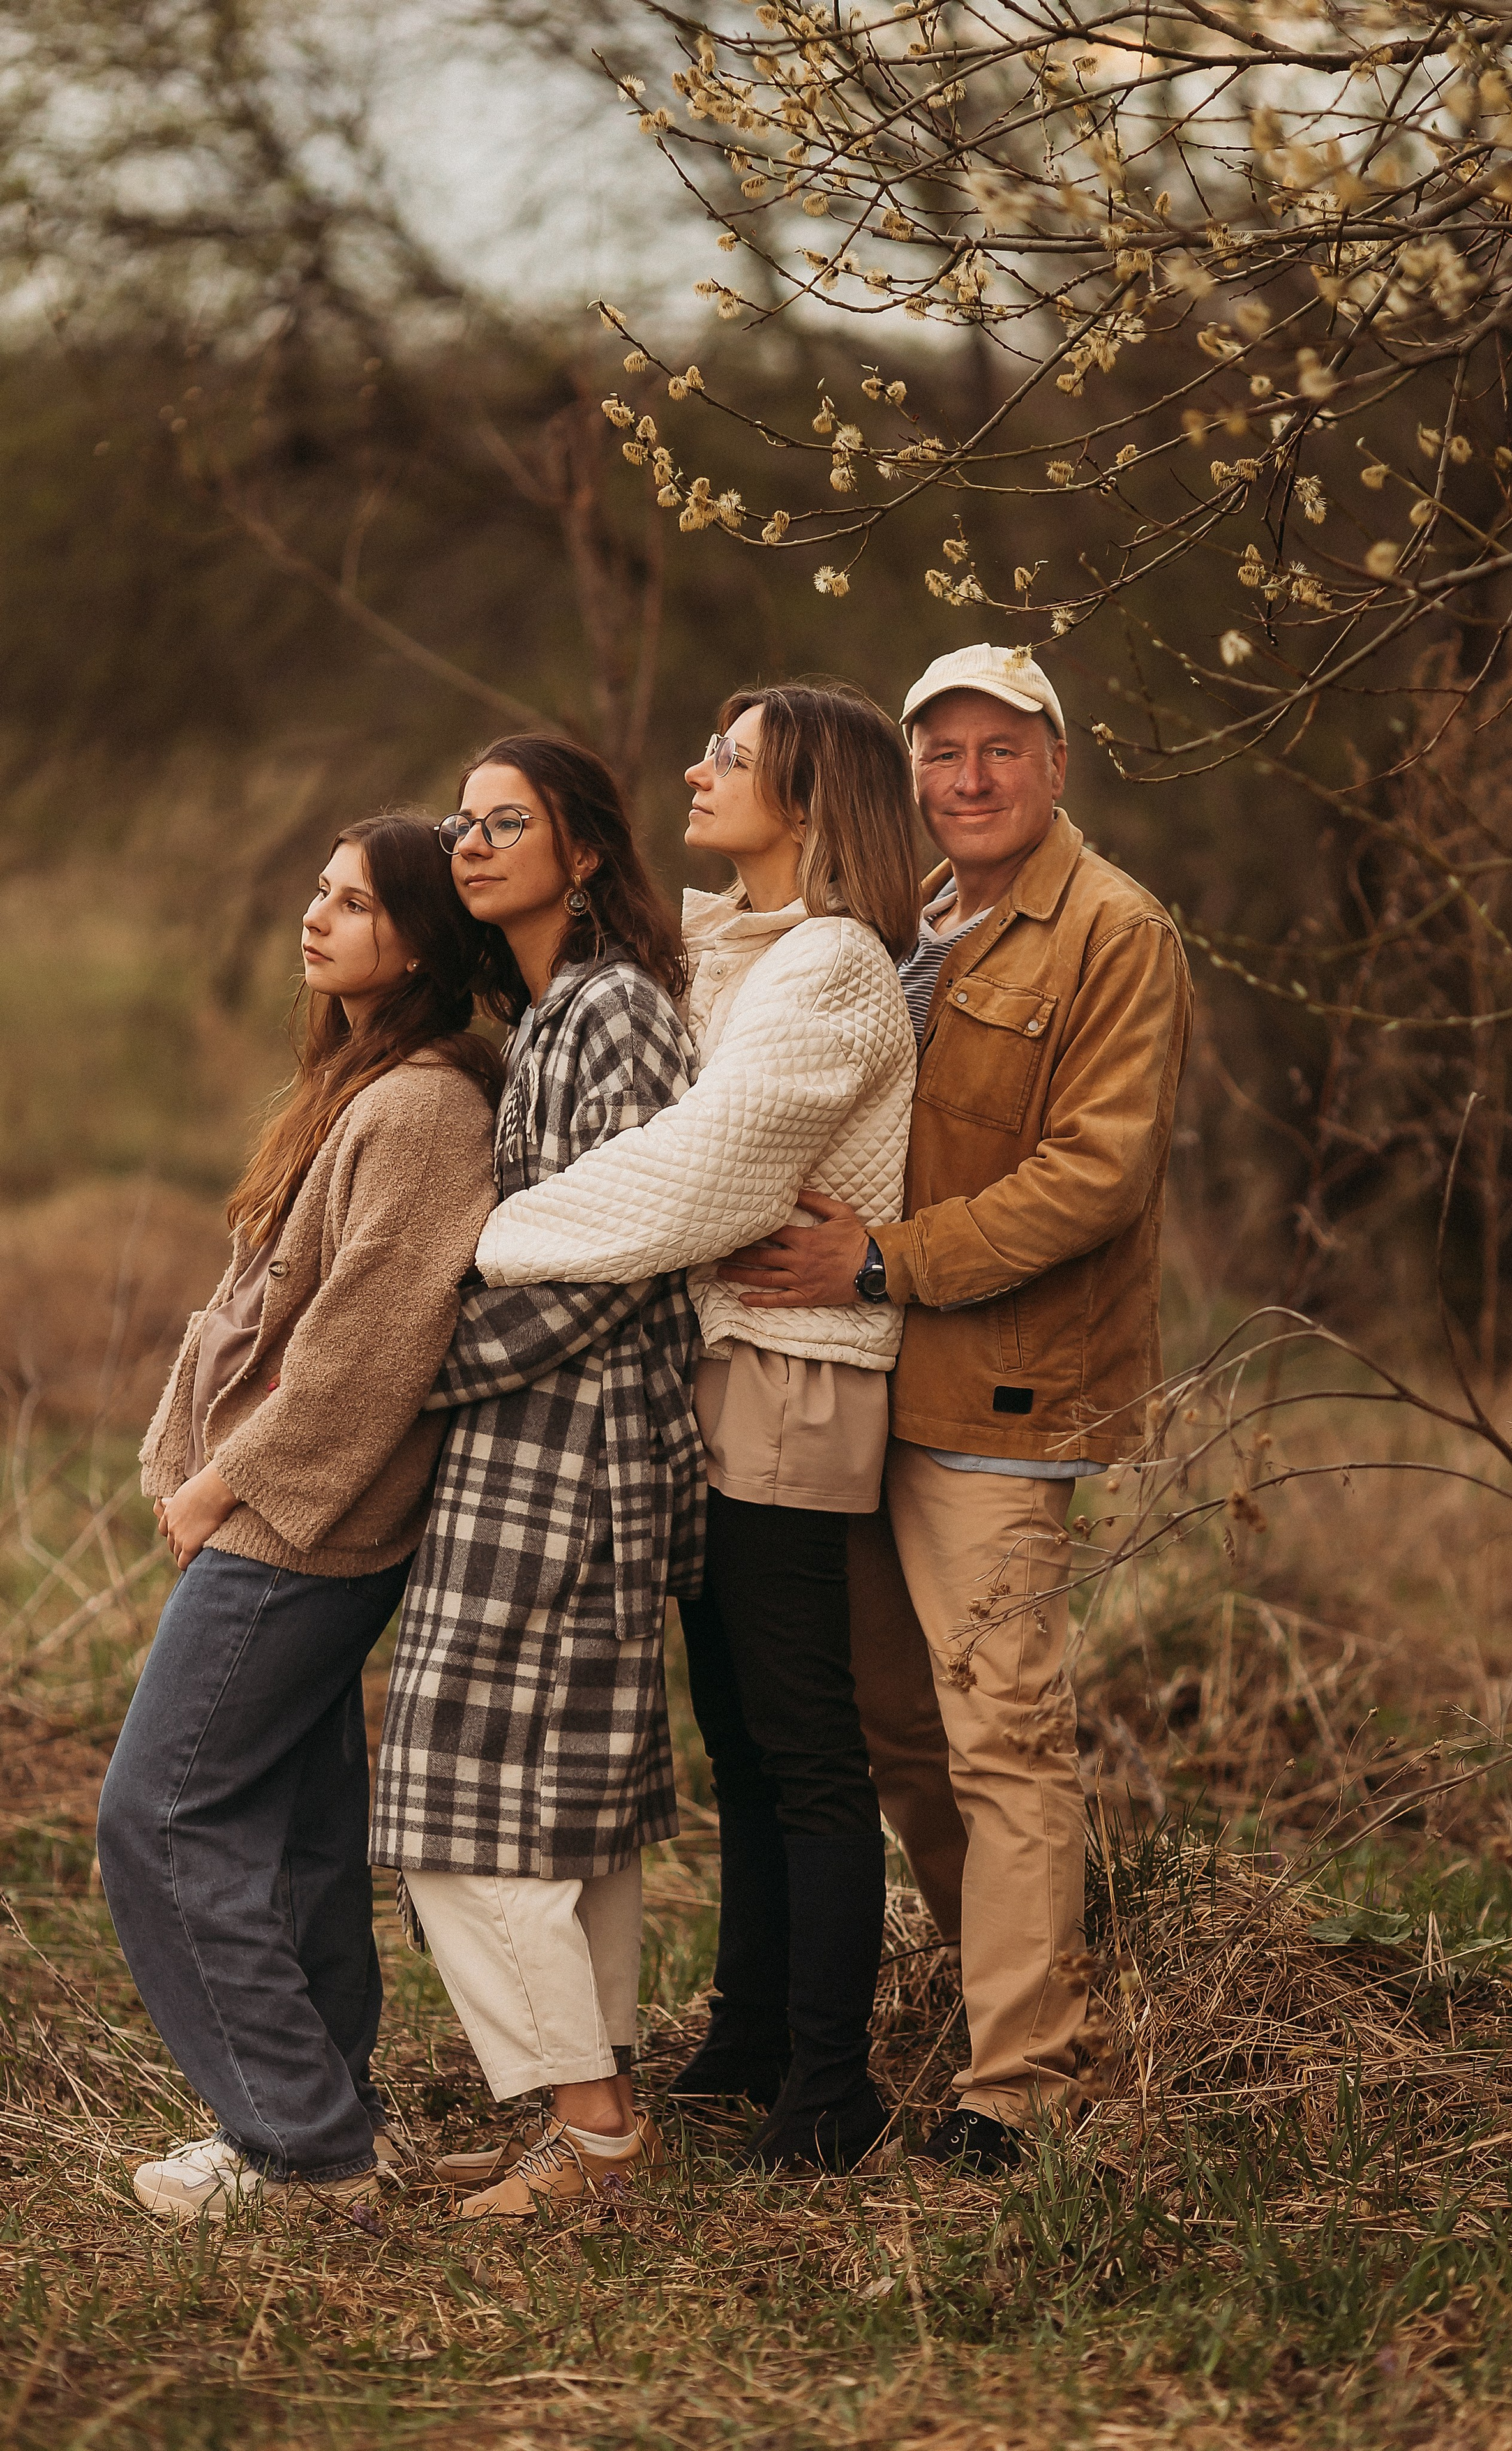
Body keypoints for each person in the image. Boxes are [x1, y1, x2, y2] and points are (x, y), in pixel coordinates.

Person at [721, 643, 1194, 2173]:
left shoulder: (1113, 932)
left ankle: (1025, 2085)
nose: (969, 781)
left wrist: (881, 1259)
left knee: (1002, 1733)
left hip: (995, 1385)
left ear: (1058, 762)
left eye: (1000, 751)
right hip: (866, 1378)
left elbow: (1093, 1174)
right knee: (892, 1731)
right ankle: (999, 2003)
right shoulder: (911, 919)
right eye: (942, 755)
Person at [472, 684, 921, 2172]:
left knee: (802, 1746)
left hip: (793, 1372)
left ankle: (828, 2089)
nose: (696, 767)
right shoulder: (731, 951)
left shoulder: (833, 965)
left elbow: (712, 1170)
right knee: (734, 1731)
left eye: (730, 758)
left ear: (809, 798)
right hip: (712, 1370)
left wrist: (493, 1244)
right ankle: (743, 2044)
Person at [98, 815, 501, 2222]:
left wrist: (225, 1483)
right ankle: (332, 2118)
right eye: (316, 894)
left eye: (350, 902)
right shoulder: (357, 1085)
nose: (314, 919)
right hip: (270, 1508)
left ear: (421, 940)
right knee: (296, 1825)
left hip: (303, 1528)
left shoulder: (426, 1109)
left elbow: (367, 1343)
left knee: (155, 1816)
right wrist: (178, 1455)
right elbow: (250, 1309)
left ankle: (302, 2147)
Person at [370, 734, 705, 2224]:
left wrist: (403, 1372)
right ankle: (603, 2117)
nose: (471, 841)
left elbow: (615, 1257)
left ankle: (588, 2137)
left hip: (573, 1457)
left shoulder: (615, 1011)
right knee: (556, 1808)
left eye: (508, 821)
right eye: (460, 823)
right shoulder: (552, 1013)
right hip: (531, 1449)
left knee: (449, 1800)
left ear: (582, 853)